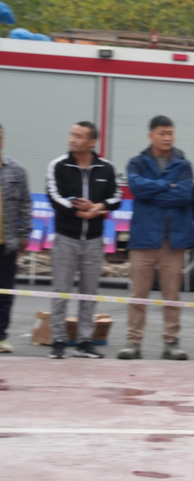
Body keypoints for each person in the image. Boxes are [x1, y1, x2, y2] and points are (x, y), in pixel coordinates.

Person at [117, 116, 194, 361]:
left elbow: (184, 195)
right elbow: (136, 188)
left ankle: (171, 342)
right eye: (163, 133)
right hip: (143, 238)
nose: (168, 138)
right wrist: (167, 186)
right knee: (138, 293)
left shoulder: (183, 164)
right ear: (150, 135)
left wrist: (155, 191)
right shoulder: (137, 162)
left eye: (171, 133)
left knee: (171, 295)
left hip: (173, 241)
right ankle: (133, 342)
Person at [46, 121, 122, 359]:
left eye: (79, 136)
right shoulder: (58, 165)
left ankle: (84, 341)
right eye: (71, 134)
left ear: (92, 142)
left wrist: (98, 207)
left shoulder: (106, 168)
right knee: (61, 291)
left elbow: (116, 197)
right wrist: (80, 212)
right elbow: (53, 196)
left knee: (89, 293)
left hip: (94, 240)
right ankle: (58, 339)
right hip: (65, 238)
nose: (72, 139)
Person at [0, 123, 33, 354]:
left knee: (4, 294)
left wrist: (24, 234)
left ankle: (1, 336)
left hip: (6, 244)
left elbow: (26, 204)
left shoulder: (16, 170)